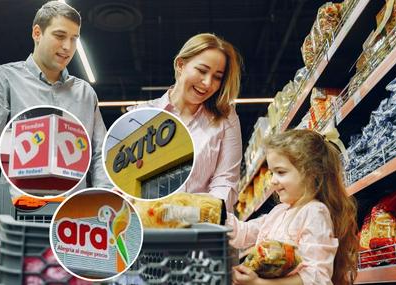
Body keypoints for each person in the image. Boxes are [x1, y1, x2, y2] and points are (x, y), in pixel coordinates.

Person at [0, 1, 111, 233]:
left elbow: (100, 154)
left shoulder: (85, 94)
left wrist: (107, 198)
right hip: (17, 218)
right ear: (37, 33)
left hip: (75, 224)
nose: (68, 47)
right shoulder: (4, 79)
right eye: (60, 35)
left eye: (74, 38)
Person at [227, 129, 358, 285]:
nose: (273, 181)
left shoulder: (314, 212)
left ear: (312, 174)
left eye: (281, 172)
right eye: (272, 173)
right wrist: (212, 213)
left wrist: (259, 283)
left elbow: (317, 277)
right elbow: (244, 233)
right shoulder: (279, 212)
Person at [131, 33, 243, 211]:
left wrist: (202, 215)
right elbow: (129, 179)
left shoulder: (225, 117)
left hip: (201, 228)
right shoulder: (141, 116)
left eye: (217, 77)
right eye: (202, 70)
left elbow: (226, 180)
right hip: (150, 225)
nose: (207, 83)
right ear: (180, 64)